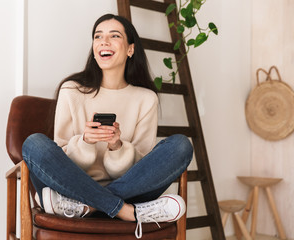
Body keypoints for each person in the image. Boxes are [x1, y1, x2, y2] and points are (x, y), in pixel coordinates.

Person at [22, 13, 193, 239]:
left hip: (102, 196)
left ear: (130, 49)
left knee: (181, 145)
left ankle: (90, 207)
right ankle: (123, 211)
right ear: (94, 48)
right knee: (34, 144)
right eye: (98, 36)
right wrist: (85, 142)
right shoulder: (71, 91)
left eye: (114, 36)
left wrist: (117, 147)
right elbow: (59, 157)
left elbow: (142, 168)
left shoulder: (146, 98)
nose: (104, 41)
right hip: (68, 189)